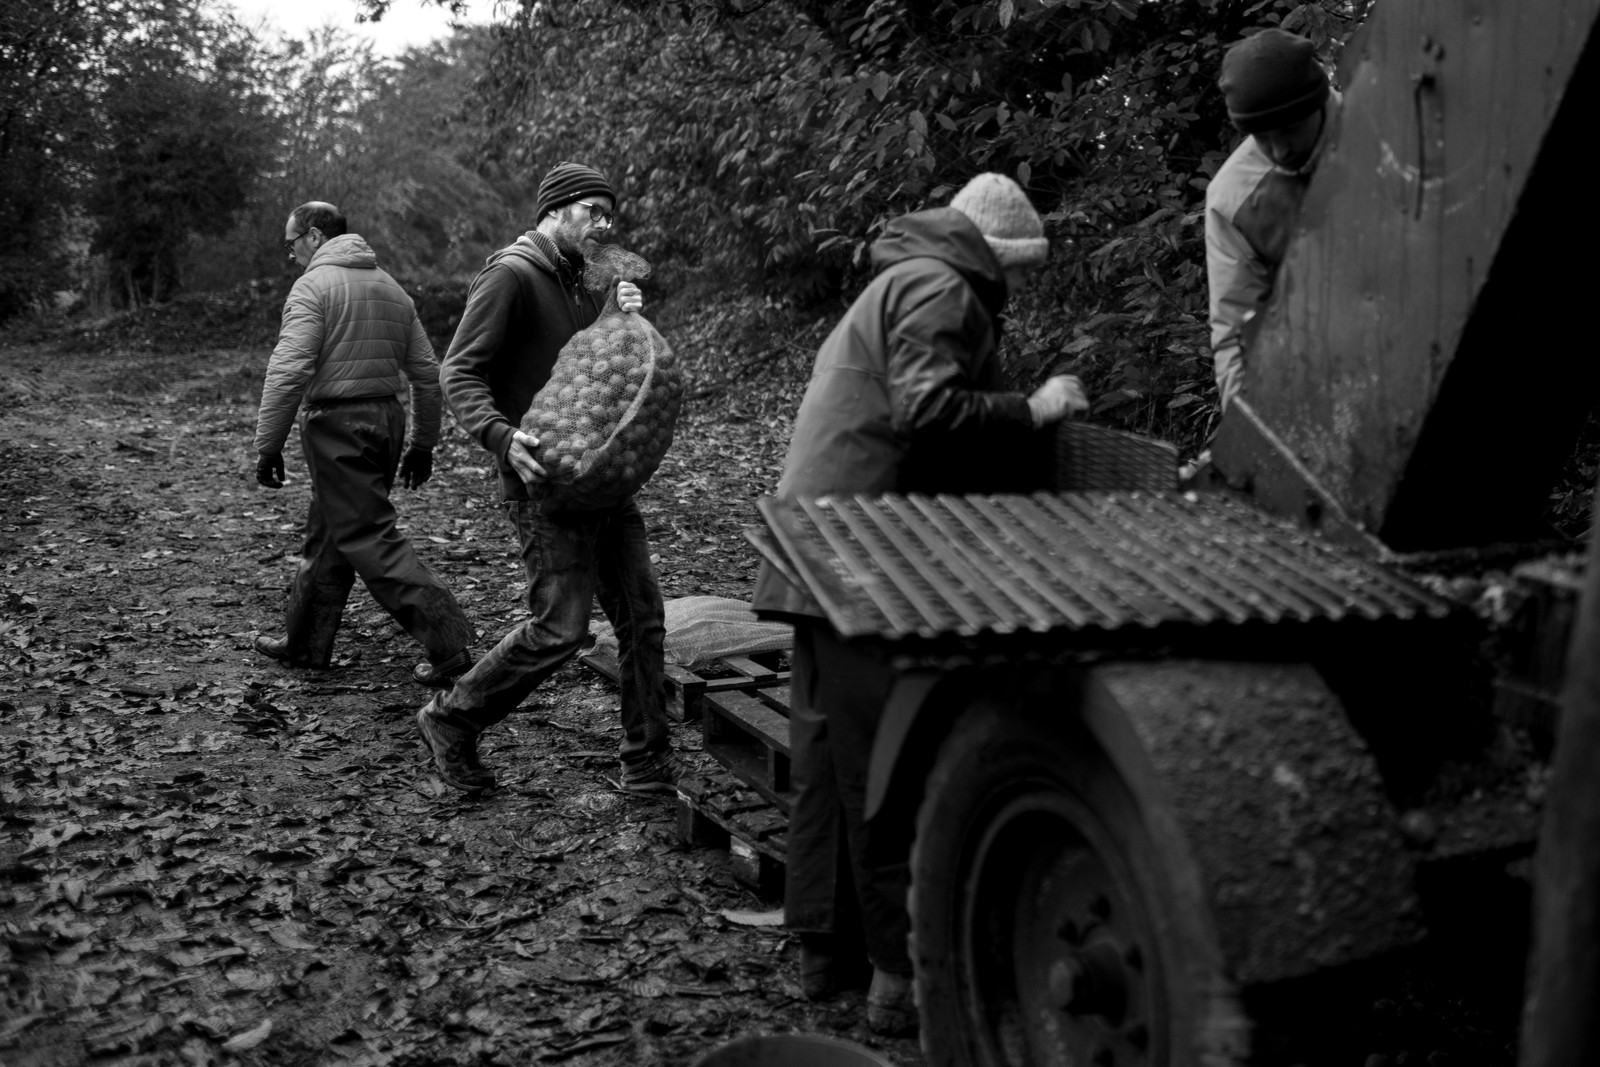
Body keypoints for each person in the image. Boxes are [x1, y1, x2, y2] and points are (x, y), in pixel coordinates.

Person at [750, 173, 1089, 1035]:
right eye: (1018, 271)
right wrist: (1035, 407)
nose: (1014, 289)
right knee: (881, 768)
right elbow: (930, 409)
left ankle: (825, 958)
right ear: (998, 255)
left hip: (813, 539)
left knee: (827, 753)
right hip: (860, 550)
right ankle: (898, 984)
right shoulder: (944, 286)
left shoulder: (898, 277)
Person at [417, 161, 680, 797]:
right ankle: (452, 719)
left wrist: (621, 315)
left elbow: (596, 368)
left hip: (605, 480)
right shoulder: (510, 275)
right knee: (562, 629)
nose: (603, 225)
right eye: (593, 211)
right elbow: (459, 372)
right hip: (541, 483)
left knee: (643, 619)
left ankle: (645, 762)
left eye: (609, 214)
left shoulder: (583, 282)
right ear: (556, 210)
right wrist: (503, 440)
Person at [253, 201, 476, 685]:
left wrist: (268, 445)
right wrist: (421, 443)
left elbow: (290, 370)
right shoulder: (391, 288)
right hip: (386, 421)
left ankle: (452, 646)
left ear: (313, 236)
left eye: (291, 243)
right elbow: (425, 373)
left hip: (338, 425)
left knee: (368, 535)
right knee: (331, 531)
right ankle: (305, 644)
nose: (290, 254)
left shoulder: (313, 286)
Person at [1205, 27, 1340, 410]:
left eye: (1291, 129)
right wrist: (1246, 437)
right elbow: (1234, 332)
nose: (1279, 149)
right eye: (1262, 137)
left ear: (1318, 102)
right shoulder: (1231, 199)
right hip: (1327, 370)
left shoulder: (1377, 127)